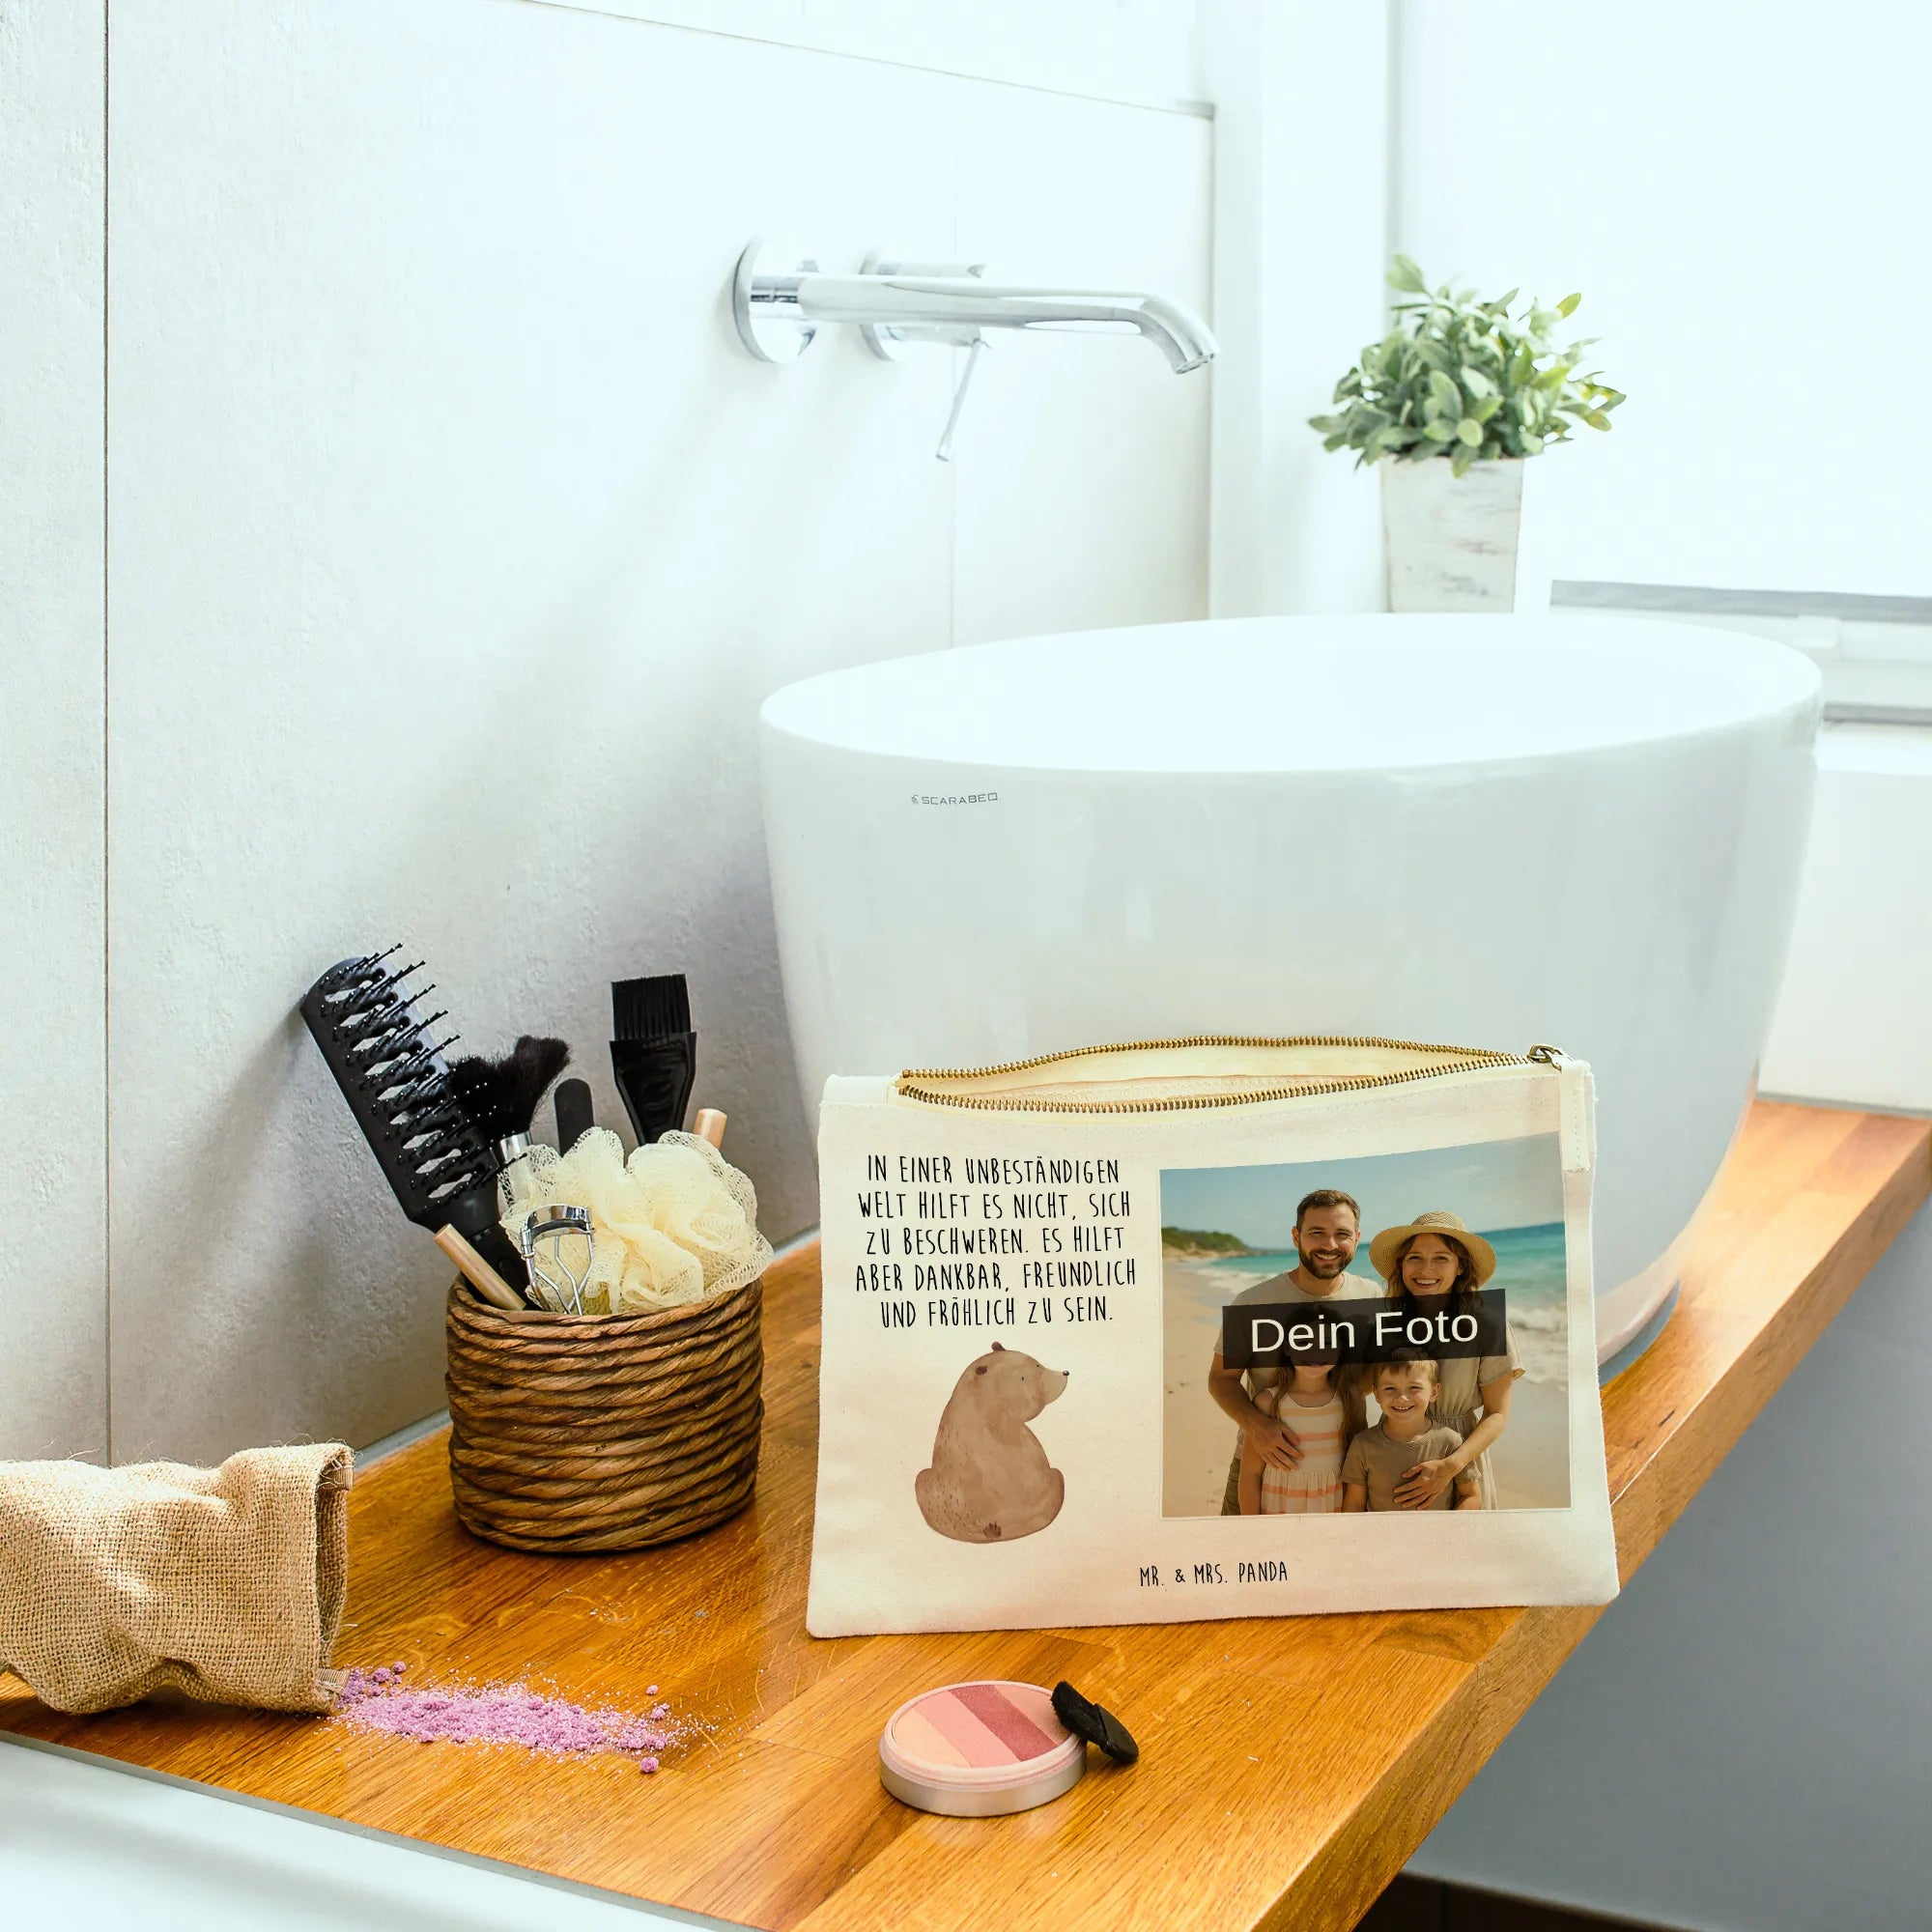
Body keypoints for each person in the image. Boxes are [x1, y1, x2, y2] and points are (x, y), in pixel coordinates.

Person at [1207, 1189, 1380, 1516]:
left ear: (1357, 1238)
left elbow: (1375, 1377)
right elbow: (1221, 1378)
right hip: (1261, 1465)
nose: (1330, 1244)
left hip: (1343, 1471)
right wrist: (1258, 1425)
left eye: (1342, 1234)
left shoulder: (1371, 1296)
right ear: (1296, 1236)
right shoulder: (1253, 1302)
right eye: (1317, 1233)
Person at [1368, 1208, 1522, 1510]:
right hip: (1395, 1454)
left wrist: (1452, 1466)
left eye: (1441, 1258)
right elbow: (1358, 1388)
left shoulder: (1487, 1323)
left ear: (1460, 1266)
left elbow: (1497, 1414)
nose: (1426, 1269)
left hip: (1461, 1463)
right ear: (1401, 1265)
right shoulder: (1388, 1324)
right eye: (1414, 1257)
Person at [1340, 1356, 1479, 1511]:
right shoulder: (1362, 1444)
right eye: (1390, 1388)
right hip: (1380, 1528)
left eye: (1413, 1387)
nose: (1402, 1397)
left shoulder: (1451, 1441)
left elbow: (1471, 1496)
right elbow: (1354, 1502)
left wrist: (1452, 1525)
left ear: (1433, 1392)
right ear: (1376, 1393)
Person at [1236, 1350, 1362, 1515]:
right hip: (1277, 1510)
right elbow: (1250, 1473)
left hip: (1332, 1508)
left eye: (1327, 1343)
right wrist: (1252, 1525)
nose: (1316, 1353)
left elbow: (1358, 1469)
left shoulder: (1351, 1398)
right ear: (1287, 1349)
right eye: (1303, 1343)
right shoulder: (1267, 1402)